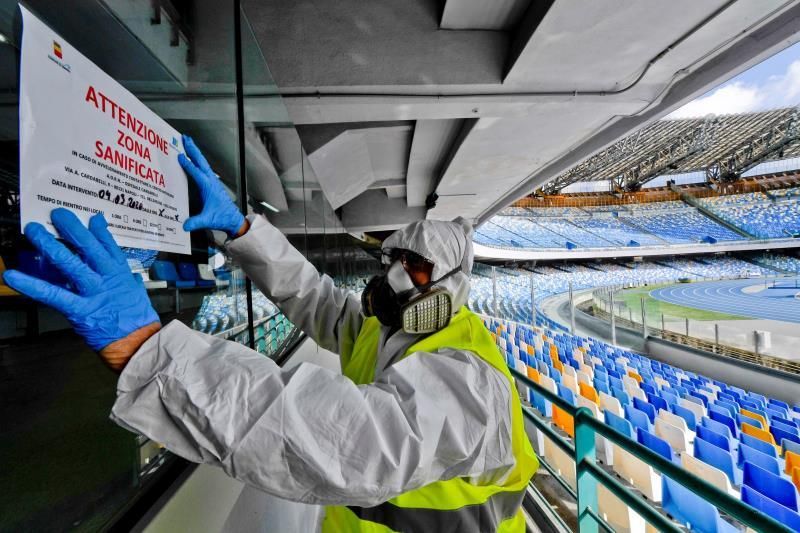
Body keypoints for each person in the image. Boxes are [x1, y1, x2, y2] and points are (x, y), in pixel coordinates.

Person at [4, 135, 538, 532]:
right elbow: (315, 298)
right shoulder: (388, 330)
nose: (395, 276)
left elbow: (346, 442)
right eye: (393, 259)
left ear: (452, 285)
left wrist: (155, 357)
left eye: (416, 268)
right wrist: (242, 230)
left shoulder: (472, 382)